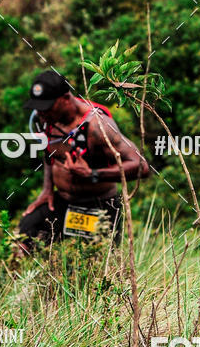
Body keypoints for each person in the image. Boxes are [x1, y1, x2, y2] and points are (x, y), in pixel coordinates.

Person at [18, 69, 149, 248]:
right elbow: (49, 150)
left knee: (97, 264)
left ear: (65, 98)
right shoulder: (48, 119)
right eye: (38, 108)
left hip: (100, 206)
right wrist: (47, 189)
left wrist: (92, 174)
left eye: (46, 107)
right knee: (25, 235)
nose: (41, 113)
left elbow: (141, 166)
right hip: (63, 200)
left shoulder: (98, 126)